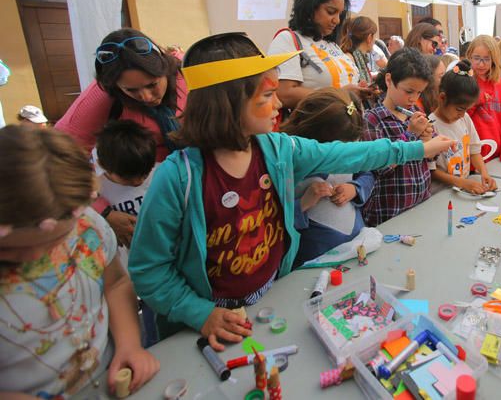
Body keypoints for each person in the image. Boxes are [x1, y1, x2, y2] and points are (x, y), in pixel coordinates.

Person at [128, 33, 453, 349]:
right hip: (210, 319)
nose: (279, 102)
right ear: (229, 104)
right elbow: (149, 270)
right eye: (267, 95)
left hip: (272, 295)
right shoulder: (176, 178)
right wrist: (198, 313)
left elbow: (352, 154)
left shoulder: (277, 150)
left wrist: (417, 149)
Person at [0, 126, 159, 398]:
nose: (41, 256)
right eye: (17, 251)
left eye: (58, 241)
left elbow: (117, 283)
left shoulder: (87, 225)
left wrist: (130, 345)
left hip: (114, 377)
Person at [56, 28, 187, 258]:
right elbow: (57, 160)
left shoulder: (184, 72)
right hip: (143, 200)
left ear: (164, 68)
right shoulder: (99, 100)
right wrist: (102, 212)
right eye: (131, 90)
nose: (146, 97)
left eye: (152, 84)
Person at [280, 88, 375, 267]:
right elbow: (272, 220)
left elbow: (367, 174)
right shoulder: (286, 163)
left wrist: (355, 188)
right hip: (313, 259)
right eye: (336, 151)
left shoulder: (348, 145)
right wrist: (303, 204)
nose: (343, 156)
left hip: (356, 248)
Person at [265, 0, 370, 110]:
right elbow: (284, 94)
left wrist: (358, 89)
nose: (337, 20)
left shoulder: (331, 44)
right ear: (310, 8)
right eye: (331, 12)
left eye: (340, 14)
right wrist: (339, 95)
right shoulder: (288, 40)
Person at [362, 48, 440, 226]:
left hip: (419, 207)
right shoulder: (372, 119)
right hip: (389, 215)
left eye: (419, 93)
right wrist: (411, 135)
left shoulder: (415, 113)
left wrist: (428, 141)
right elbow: (379, 168)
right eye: (409, 91)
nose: (414, 98)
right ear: (389, 80)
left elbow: (431, 157)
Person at [429, 60, 497, 194]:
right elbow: (432, 171)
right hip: (441, 194)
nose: (462, 115)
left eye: (466, 110)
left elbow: (474, 150)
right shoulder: (430, 126)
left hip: (464, 187)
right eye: (459, 109)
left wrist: (484, 174)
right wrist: (462, 183)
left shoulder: (465, 118)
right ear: (442, 98)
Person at [95, 120, 157, 251]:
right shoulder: (97, 189)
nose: (138, 182)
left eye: (145, 175)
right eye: (127, 178)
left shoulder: (161, 174)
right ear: (102, 165)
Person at [465, 35, 501, 164]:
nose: (481, 64)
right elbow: (457, 119)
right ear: (469, 57)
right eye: (477, 58)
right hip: (471, 157)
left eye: (486, 59)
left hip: (498, 156)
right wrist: (475, 101)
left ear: (494, 60)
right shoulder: (463, 83)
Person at [341, 16, 380, 84]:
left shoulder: (358, 57)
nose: (375, 40)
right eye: (374, 36)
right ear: (369, 38)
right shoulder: (350, 59)